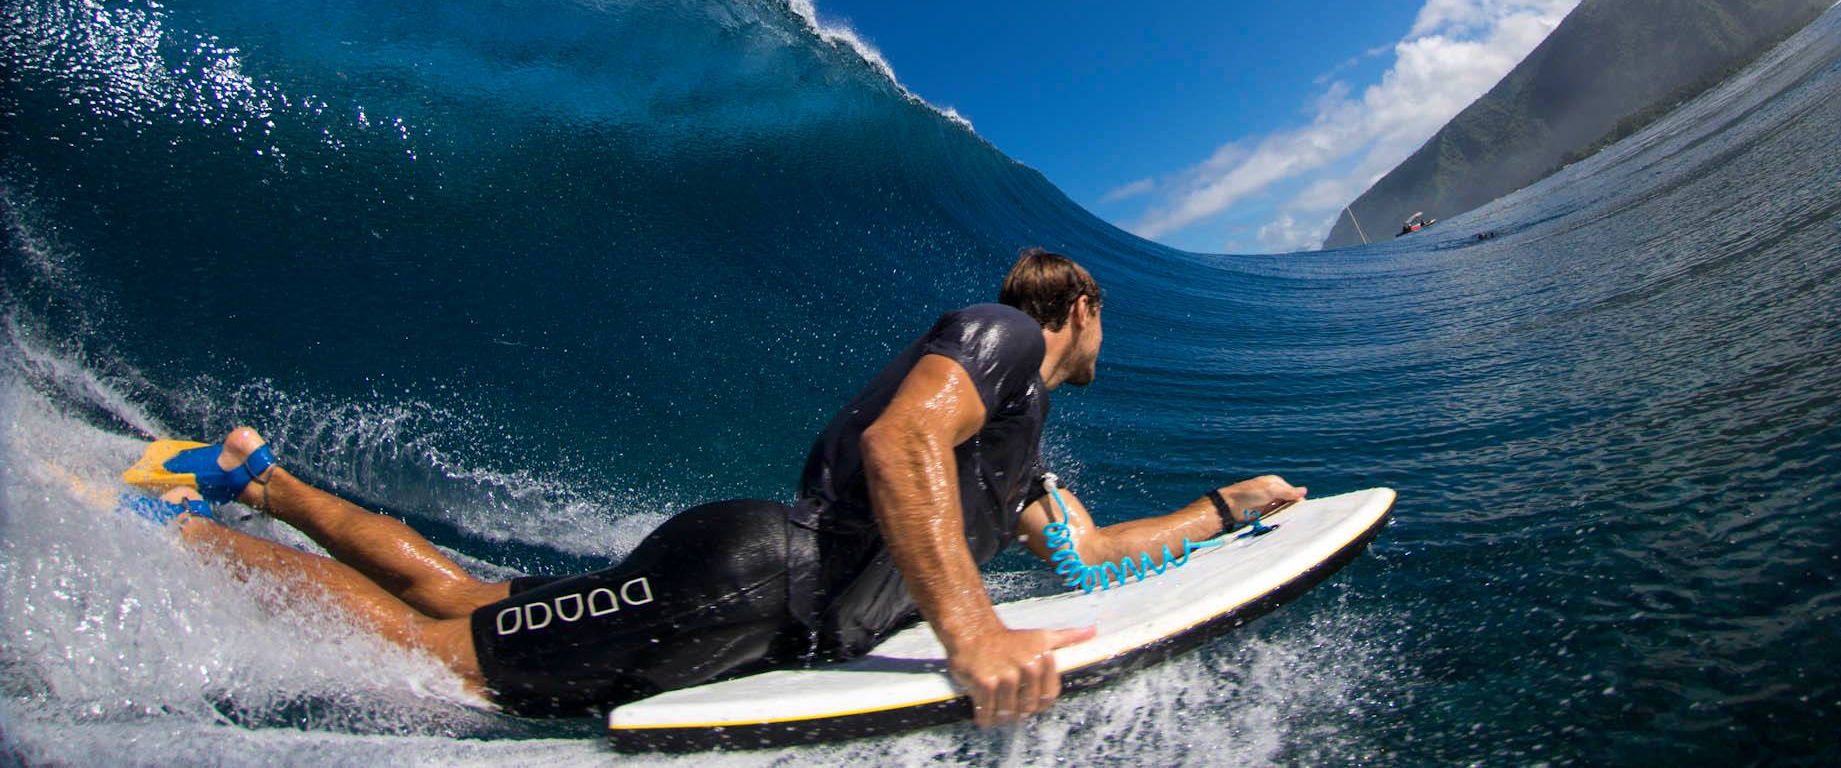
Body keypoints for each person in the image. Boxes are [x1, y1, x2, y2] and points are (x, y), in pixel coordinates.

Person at [129, 250, 1305, 727]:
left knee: (473, 597)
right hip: (741, 585)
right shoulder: (997, 337)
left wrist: (1220, 510)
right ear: (1080, 306)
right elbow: (902, 447)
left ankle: (263, 482)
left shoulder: (1022, 451)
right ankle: (159, 531)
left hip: (753, 612)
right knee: (433, 651)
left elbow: (1091, 559)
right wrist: (972, 630)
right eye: (1107, 324)